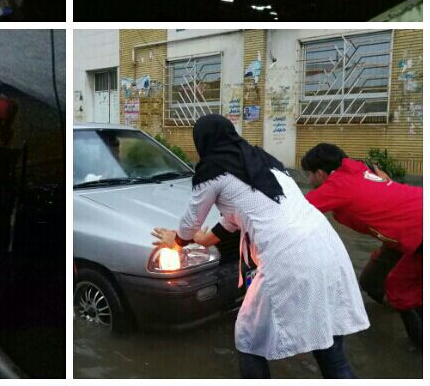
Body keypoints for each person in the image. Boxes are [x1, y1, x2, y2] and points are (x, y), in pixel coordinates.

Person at [152, 115, 368, 379]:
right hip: (328, 249)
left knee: (248, 336)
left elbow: (189, 223)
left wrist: (175, 240)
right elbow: (238, 215)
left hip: (288, 258)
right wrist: (204, 240)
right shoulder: (261, 161)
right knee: (330, 350)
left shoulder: (211, 171)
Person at [302, 142, 422, 347]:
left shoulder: (337, 186)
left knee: (400, 288)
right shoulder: (357, 170)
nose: (308, 179)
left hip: (418, 232)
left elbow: (296, 211)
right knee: (372, 280)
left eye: (309, 175)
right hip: (402, 233)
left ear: (320, 173)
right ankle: (405, 307)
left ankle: (420, 345)